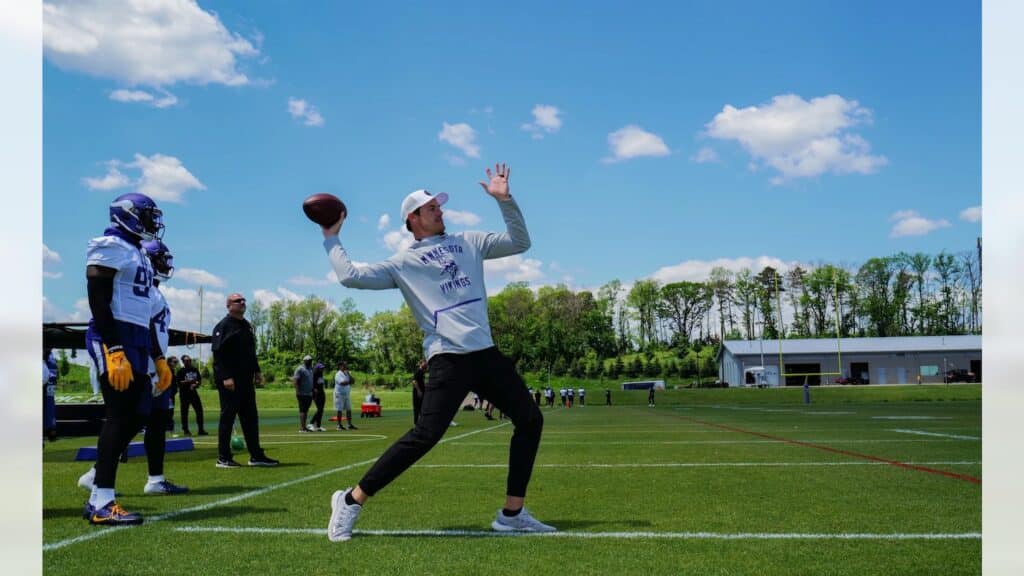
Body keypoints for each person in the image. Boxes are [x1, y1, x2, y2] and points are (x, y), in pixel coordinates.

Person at [320, 163, 554, 542]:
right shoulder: (404, 263)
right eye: (431, 208)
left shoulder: (470, 242)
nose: (440, 211)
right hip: (448, 356)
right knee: (426, 434)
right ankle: (350, 500)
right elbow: (351, 276)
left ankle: (512, 514)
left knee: (530, 419)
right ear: (413, 219)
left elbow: (520, 242)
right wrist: (332, 238)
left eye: (439, 206)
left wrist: (505, 200)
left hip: (486, 354)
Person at [81, 192, 173, 525]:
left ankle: (97, 475)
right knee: (119, 414)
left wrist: (159, 358)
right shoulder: (109, 244)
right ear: (129, 214)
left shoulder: (136, 252)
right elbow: (98, 299)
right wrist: (114, 347)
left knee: (141, 413)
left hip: (136, 339)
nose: (153, 223)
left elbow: (147, 315)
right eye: (149, 216)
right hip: (113, 337)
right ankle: (102, 500)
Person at [211, 293, 278, 467]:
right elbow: (218, 354)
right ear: (228, 305)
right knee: (228, 417)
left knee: (250, 418)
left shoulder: (246, 326)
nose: (242, 303)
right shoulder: (223, 326)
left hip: (246, 380)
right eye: (237, 301)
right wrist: (225, 376)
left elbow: (250, 352)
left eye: (243, 301)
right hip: (230, 380)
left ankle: (256, 455)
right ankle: (223, 457)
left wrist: (257, 371)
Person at [177, 355, 208, 436]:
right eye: (186, 360)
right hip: (184, 394)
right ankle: (186, 430)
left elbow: (199, 380)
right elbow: (179, 383)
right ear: (183, 362)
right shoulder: (180, 371)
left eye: (190, 360)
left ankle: (201, 430)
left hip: (193, 393)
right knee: (184, 412)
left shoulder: (194, 369)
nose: (189, 362)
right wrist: (188, 382)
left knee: (199, 411)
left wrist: (196, 384)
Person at [292, 355, 315, 432]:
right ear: (304, 361)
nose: (310, 361)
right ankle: (302, 428)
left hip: (309, 393)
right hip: (302, 393)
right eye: (308, 360)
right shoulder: (300, 369)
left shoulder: (310, 369)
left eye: (310, 360)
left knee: (306, 410)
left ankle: (304, 427)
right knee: (302, 410)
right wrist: (297, 391)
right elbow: (295, 380)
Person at [334, 361, 357, 430]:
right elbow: (342, 383)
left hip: (346, 394)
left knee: (349, 409)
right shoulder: (338, 374)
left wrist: (349, 375)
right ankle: (339, 425)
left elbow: (353, 381)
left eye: (346, 365)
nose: (346, 366)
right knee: (339, 410)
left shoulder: (347, 373)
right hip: (339, 394)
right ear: (340, 366)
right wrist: (350, 381)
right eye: (344, 365)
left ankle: (349, 424)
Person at [43, 348, 58, 442]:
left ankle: (51, 429)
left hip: (49, 384)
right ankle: (50, 429)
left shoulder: (50, 359)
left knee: (49, 405)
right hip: (48, 383)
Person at [309, 362, 327, 431]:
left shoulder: (320, 374)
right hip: (316, 394)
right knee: (319, 409)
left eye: (323, 368)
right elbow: (311, 384)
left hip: (321, 392)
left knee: (321, 410)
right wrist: (314, 389)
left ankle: (318, 426)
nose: (322, 369)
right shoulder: (313, 375)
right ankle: (311, 423)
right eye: (321, 368)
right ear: (317, 368)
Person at [411, 359, 426, 425]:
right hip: (417, 392)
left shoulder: (422, 372)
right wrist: (418, 391)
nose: (426, 364)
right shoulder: (418, 371)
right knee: (417, 407)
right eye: (424, 362)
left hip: (422, 392)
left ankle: (422, 422)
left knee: (422, 407)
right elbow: (414, 381)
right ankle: (416, 422)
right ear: (420, 364)